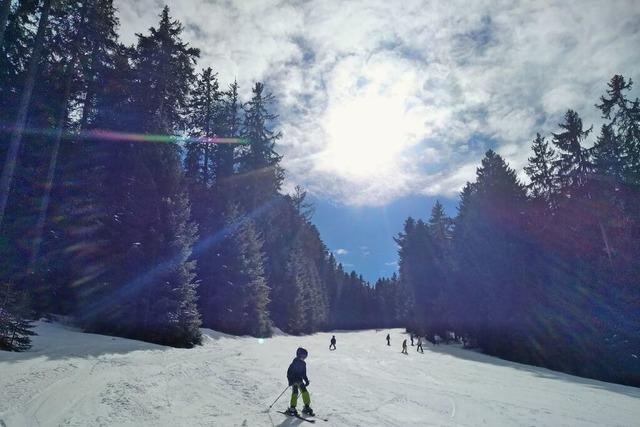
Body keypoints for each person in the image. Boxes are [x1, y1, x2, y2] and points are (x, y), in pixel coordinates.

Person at [285, 347, 314, 417]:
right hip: (294, 380)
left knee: (305, 392)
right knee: (295, 393)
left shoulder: (303, 363)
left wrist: (306, 380)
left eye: (305, 356)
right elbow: (289, 373)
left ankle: (306, 406)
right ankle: (292, 408)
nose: (304, 358)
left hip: (300, 380)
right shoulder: (294, 363)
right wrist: (290, 381)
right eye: (303, 356)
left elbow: (304, 373)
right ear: (298, 355)